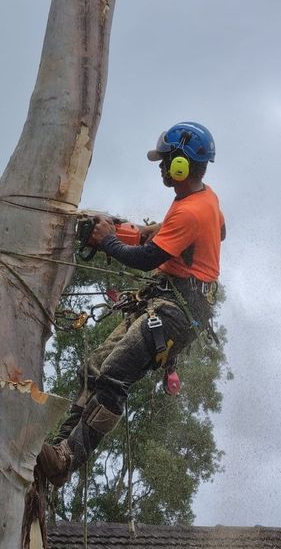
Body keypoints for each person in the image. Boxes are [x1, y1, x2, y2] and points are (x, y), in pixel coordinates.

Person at [38, 121, 225, 487]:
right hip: (165, 300)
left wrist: (108, 241)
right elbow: (219, 228)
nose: (160, 167)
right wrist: (138, 231)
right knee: (93, 367)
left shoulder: (192, 211)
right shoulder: (200, 200)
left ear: (181, 166)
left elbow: (144, 259)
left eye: (166, 161)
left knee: (113, 378)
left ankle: (65, 462)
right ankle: (60, 444)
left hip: (176, 313)